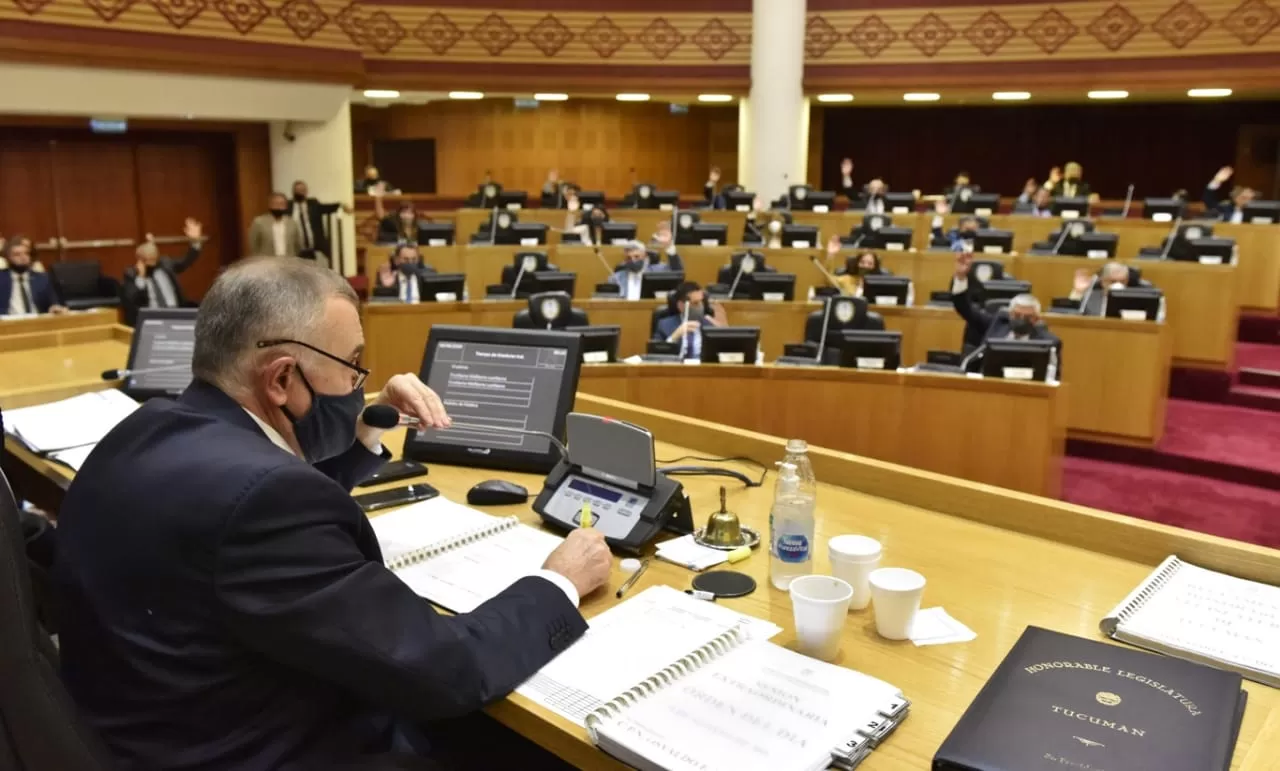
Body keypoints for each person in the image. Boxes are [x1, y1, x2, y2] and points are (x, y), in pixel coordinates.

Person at [53, 257, 612, 771]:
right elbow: (445, 671)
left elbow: (254, 499)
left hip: (150, 726)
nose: (357, 384)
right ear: (280, 379)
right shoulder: (265, 504)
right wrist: (557, 582)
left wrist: (367, 426)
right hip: (264, 749)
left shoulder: (146, 430)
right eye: (352, 366)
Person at [950, 251, 1062, 376]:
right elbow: (964, 308)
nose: (1021, 320)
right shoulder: (996, 324)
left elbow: (1053, 378)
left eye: (1028, 317)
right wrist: (960, 277)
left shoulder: (1048, 342)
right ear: (1010, 314)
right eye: (1017, 315)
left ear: (1037, 319)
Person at [120, 218, 204, 324]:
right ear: (140, 260)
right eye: (147, 260)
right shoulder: (131, 275)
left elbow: (186, 261)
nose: (152, 262)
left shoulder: (166, 265)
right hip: (153, 320)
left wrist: (195, 241)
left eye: (154, 258)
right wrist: (141, 277)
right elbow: (133, 302)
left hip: (177, 315)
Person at [654, 281, 727, 359]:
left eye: (701, 302)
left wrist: (722, 330)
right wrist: (674, 337)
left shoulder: (710, 324)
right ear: (681, 305)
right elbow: (655, 356)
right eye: (695, 303)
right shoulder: (665, 325)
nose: (700, 307)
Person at [289, 180, 352, 263]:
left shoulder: (313, 204)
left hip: (314, 247)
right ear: (293, 192)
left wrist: (342, 206)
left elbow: (328, 207)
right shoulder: (288, 207)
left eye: (303, 190)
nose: (300, 193)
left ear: (306, 192)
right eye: (298, 190)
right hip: (295, 249)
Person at [1, 236, 65, 316]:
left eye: (26, 253)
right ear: (8, 258)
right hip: (9, 324)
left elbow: (54, 302)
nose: (23, 257)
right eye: (17, 254)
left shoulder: (43, 279)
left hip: (37, 322)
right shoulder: (2, 278)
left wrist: (55, 307)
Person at [609, 240, 678, 300]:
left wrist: (670, 248)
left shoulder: (657, 271)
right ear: (625, 259)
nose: (633, 260)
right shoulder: (615, 278)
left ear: (644, 256)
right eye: (629, 258)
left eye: (637, 256)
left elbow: (676, 272)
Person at [374, 243, 438, 303]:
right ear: (396, 260)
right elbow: (380, 305)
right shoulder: (387, 277)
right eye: (406, 259)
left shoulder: (428, 276)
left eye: (414, 259)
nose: (410, 262)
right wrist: (387, 287)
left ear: (418, 260)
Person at [247, 192, 304, 258]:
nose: (279, 207)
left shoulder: (292, 223)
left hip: (288, 262)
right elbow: (254, 245)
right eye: (275, 203)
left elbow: (297, 245)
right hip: (267, 262)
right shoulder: (259, 222)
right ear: (270, 205)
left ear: (286, 206)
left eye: (282, 204)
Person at [1069, 261, 1133, 316]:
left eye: (1123, 281)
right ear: (1102, 281)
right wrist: (1078, 292)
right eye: (1113, 281)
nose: (1118, 285)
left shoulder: (1134, 298)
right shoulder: (1090, 295)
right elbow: (1073, 315)